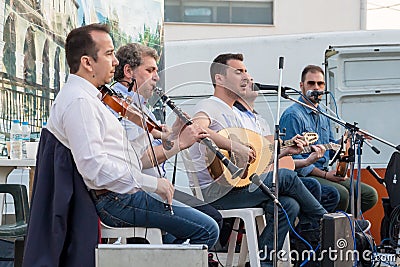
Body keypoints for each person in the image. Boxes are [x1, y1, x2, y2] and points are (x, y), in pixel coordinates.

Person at [43, 24, 219, 249]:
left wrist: (169, 133)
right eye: (109, 54)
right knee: (208, 229)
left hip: (122, 194)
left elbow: (125, 153)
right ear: (87, 62)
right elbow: (94, 168)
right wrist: (153, 183)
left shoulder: (90, 98)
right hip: (117, 199)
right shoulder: (80, 102)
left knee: (187, 231)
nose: (115, 62)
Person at [187, 53, 327, 266]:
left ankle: (263, 261)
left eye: (246, 71)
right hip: (216, 192)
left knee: (288, 205)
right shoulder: (210, 106)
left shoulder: (234, 113)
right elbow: (195, 128)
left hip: (238, 185)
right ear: (219, 79)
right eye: (238, 71)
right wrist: (234, 145)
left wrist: (284, 151)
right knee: (287, 177)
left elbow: (251, 161)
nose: (246, 76)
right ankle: (326, 222)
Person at [111, 42, 223, 232]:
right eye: (150, 70)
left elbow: (153, 141)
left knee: (211, 218)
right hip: (140, 191)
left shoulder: (141, 106)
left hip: (155, 188)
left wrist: (174, 131)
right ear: (128, 71)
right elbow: (141, 159)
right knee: (209, 224)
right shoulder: (122, 105)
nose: (156, 77)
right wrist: (180, 143)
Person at [279, 64, 378, 214]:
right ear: (302, 86)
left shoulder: (324, 114)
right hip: (304, 177)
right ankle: (330, 233)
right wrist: (325, 175)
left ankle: (345, 226)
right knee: (342, 195)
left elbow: (331, 148)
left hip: (325, 172)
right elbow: (291, 160)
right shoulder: (293, 115)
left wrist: (349, 139)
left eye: (320, 83)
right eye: (311, 83)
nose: (316, 87)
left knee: (369, 195)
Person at [233, 80, 340, 214]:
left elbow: (270, 159)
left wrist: (294, 153)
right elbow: (249, 160)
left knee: (292, 203)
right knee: (300, 181)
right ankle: (324, 222)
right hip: (247, 182)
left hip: (265, 175)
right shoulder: (235, 118)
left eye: (321, 83)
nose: (252, 83)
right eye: (244, 81)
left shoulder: (259, 120)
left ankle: (318, 229)